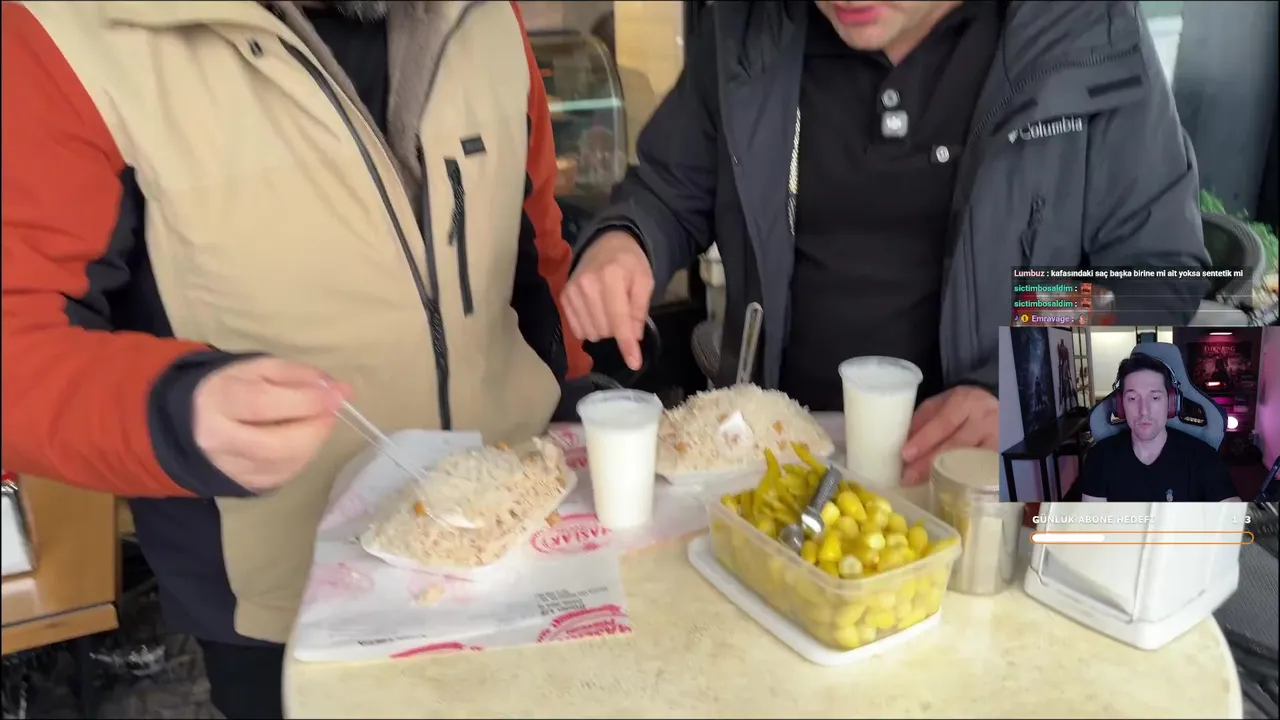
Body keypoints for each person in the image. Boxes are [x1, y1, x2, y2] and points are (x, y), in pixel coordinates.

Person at [0, 1, 589, 717]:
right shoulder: (65, 32)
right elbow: (15, 342)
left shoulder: (492, 14)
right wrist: (174, 414)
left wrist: (578, 390)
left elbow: (534, 247)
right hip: (290, 605)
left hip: (527, 541)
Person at [561, 0, 1210, 485]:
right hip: (778, 463)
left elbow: (1154, 272)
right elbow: (670, 190)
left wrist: (1024, 388)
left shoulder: (1083, 31)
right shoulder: (749, 26)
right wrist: (628, 238)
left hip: (991, 481)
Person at [1077, 354, 1239, 502]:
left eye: (1155, 397)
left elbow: (1233, 516)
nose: (1144, 411)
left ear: (1171, 403)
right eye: (1132, 398)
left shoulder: (1203, 458)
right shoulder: (1100, 458)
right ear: (1120, 405)